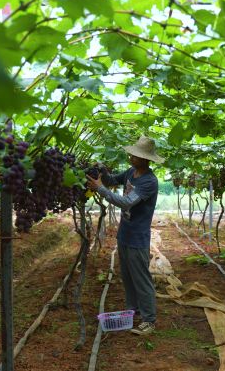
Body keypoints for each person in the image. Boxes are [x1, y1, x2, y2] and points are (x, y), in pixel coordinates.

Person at [86, 135, 164, 336]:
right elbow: (112, 180)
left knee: (141, 278)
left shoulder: (149, 182)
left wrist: (100, 189)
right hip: (125, 234)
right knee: (128, 277)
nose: (131, 156)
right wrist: (103, 171)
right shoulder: (131, 172)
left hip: (138, 237)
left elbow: (126, 202)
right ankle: (133, 311)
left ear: (145, 159)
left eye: (135, 155)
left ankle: (149, 320)